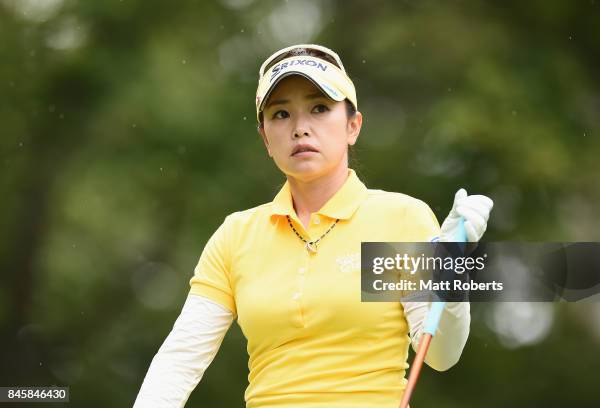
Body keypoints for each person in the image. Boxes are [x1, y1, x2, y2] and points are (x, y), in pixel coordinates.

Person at [133, 44, 493, 408]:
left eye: (319, 108)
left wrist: (449, 265)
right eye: (280, 114)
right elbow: (179, 363)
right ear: (265, 139)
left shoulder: (398, 219)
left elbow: (441, 353)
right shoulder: (236, 235)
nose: (300, 128)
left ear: (353, 126)